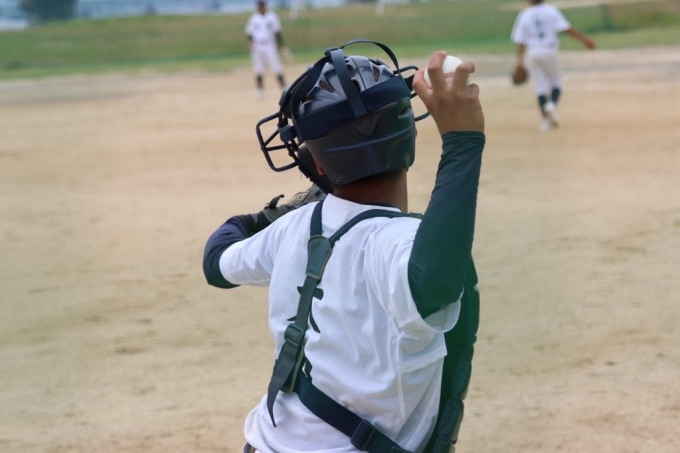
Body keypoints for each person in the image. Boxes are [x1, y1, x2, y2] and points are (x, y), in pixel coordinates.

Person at [203, 39, 485, 452]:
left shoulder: (294, 227)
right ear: (409, 136)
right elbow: (436, 280)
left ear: (318, 164)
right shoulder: (399, 244)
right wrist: (462, 142)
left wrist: (268, 218)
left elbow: (216, 262)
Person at [511, 0, 596, 131]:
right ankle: (552, 105)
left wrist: (519, 60)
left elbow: (521, 40)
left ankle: (546, 122)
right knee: (556, 81)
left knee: (540, 86)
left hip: (532, 52)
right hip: (549, 50)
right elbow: (566, 29)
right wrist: (584, 40)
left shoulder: (524, 14)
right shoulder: (551, 10)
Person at [245, 0, 290, 99]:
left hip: (269, 44)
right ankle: (260, 90)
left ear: (265, 6)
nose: (261, 8)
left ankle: (283, 88)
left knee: (276, 66)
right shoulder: (254, 18)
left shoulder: (272, 16)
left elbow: (277, 32)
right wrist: (250, 42)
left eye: (262, 6)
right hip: (257, 45)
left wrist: (281, 44)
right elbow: (250, 32)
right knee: (258, 68)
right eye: (259, 6)